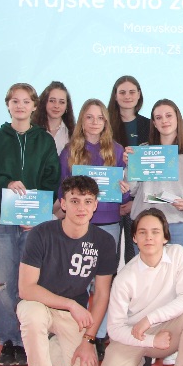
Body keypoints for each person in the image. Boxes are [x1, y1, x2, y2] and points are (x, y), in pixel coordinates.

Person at [0, 83, 61, 366]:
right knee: (2, 284)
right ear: (8, 105)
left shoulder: (44, 141)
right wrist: (4, 184)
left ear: (34, 106)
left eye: (26, 101)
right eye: (15, 101)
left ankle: (31, 338)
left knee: (33, 283)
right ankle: (10, 341)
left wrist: (36, 214)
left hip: (33, 227)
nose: (20, 106)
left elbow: (52, 180)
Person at [17, 175, 118, 366]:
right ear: (63, 204)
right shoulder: (41, 234)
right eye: (74, 201)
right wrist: (70, 304)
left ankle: (50, 345)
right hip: (39, 304)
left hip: (72, 316)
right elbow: (26, 288)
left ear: (95, 205)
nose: (81, 208)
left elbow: (102, 295)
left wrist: (88, 340)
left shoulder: (104, 241)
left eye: (87, 201)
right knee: (32, 316)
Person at [96, 209, 183, 366]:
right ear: (134, 238)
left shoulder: (178, 255)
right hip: (134, 335)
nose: (149, 237)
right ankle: (141, 361)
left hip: (167, 332)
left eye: (155, 232)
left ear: (165, 237)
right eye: (142, 232)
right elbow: (114, 329)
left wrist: (150, 319)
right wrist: (150, 340)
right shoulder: (124, 277)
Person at [56, 98, 130, 349]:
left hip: (109, 224)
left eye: (100, 118)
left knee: (103, 282)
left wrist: (124, 191)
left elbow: (124, 196)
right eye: (89, 117)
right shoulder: (69, 151)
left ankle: (98, 335)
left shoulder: (117, 151)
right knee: (76, 279)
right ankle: (72, 331)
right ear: (82, 121)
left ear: (106, 122)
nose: (95, 122)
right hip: (77, 226)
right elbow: (62, 190)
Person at [127, 100, 183, 258]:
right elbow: (132, 190)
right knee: (145, 273)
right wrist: (130, 165)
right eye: (158, 117)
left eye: (168, 116)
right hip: (145, 225)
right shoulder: (142, 152)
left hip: (178, 227)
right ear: (154, 123)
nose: (164, 121)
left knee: (178, 274)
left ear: (177, 119)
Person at [108, 75, 150, 262]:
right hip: (110, 200)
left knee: (135, 257)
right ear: (115, 96)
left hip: (140, 200)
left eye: (132, 92)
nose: (127, 96)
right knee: (109, 257)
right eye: (122, 92)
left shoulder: (150, 125)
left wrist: (137, 200)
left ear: (139, 95)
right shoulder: (105, 125)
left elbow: (153, 169)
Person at [34, 81, 74, 155]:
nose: (56, 106)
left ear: (67, 106)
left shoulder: (73, 133)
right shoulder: (31, 130)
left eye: (61, 102)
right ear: (44, 102)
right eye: (52, 101)